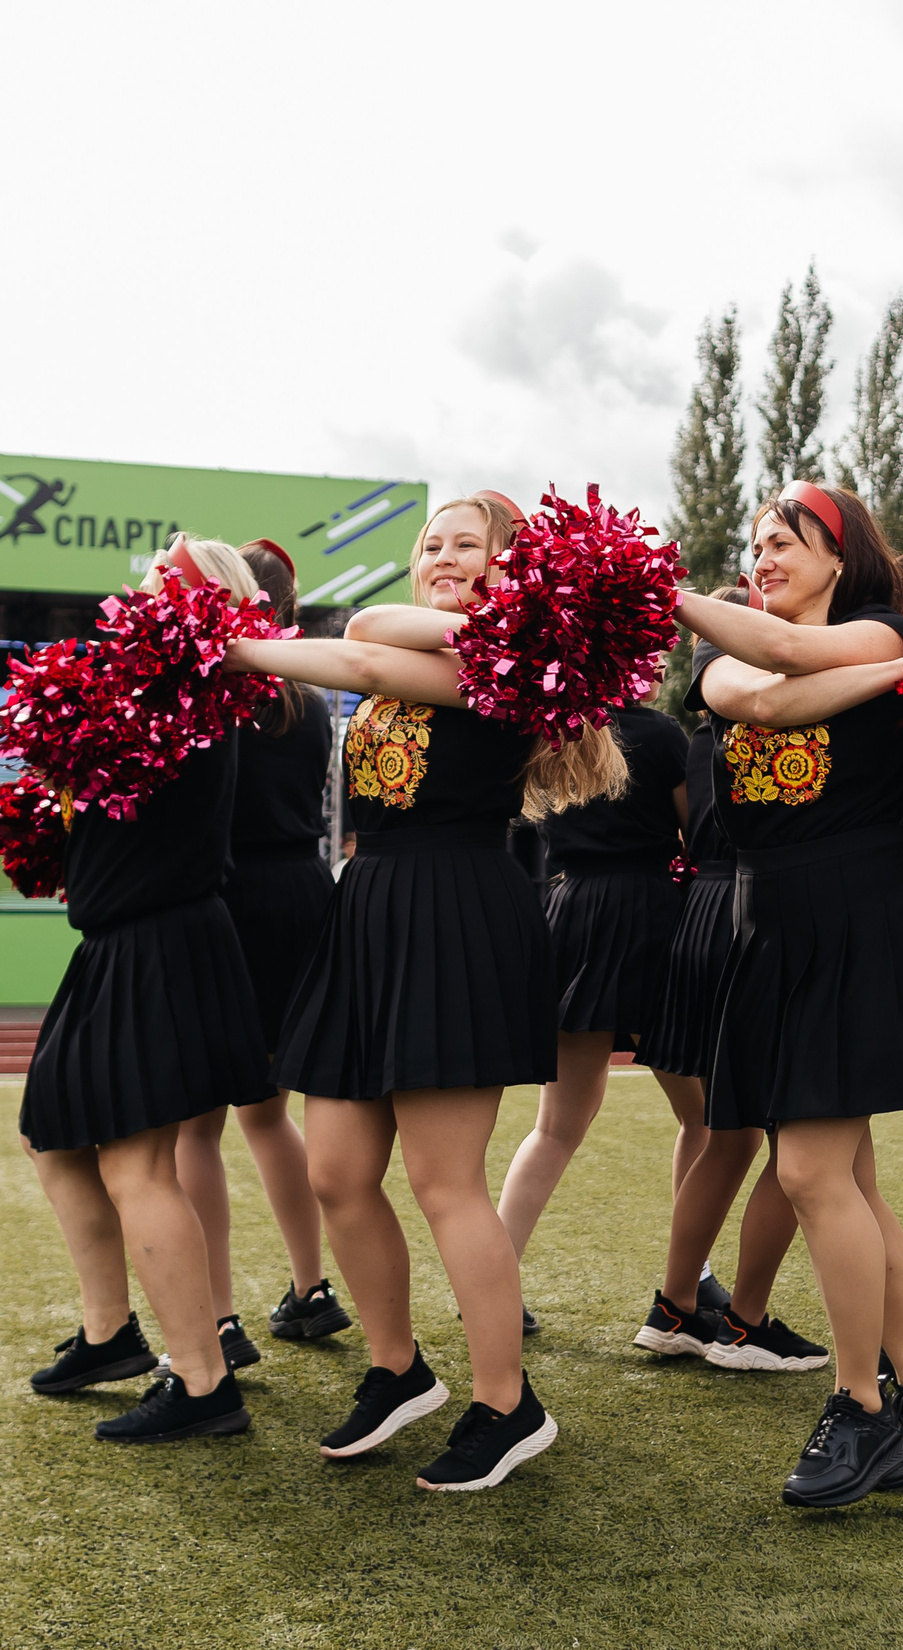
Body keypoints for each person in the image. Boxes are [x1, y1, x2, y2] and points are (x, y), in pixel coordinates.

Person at [225, 493, 623, 1491]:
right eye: (430, 545)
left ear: (513, 569)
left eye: (467, 546)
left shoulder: (493, 668)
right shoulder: (450, 654)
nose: (442, 557)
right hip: (369, 909)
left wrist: (232, 645)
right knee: (337, 1171)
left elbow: (357, 646)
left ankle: (506, 1402)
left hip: (453, 910)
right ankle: (398, 1368)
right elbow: (365, 652)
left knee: (446, 1187)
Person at [676, 477, 903, 1507]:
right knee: (842, 1178)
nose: (762, 557)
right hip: (770, 927)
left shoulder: (886, 622)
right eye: (755, 541)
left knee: (811, 1174)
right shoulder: (726, 658)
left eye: (787, 541)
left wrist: (897, 655)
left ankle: (861, 1403)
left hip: (862, 914)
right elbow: (769, 691)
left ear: (840, 555)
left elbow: (804, 659)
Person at [18, 538, 275, 1444]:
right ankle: (109, 1333)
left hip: (156, 940)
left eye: (170, 576)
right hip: (126, 941)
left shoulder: (183, 683)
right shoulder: (154, 684)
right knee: (51, 1132)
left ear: (207, 604)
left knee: (136, 1166)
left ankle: (204, 1384)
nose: (145, 587)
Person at [175, 538, 347, 1367]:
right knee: (273, 1113)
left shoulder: (215, 695)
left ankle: (218, 1318)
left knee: (195, 1129)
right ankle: (311, 1288)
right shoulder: (307, 700)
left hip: (230, 902)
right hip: (304, 897)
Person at [635, 598, 815, 1373]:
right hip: (751, 907)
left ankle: (677, 1305)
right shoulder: (769, 709)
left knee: (732, 1130)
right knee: (801, 1132)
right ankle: (742, 1320)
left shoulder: (705, 731)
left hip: (703, 913)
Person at [494, 691, 692, 1326]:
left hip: (572, 912)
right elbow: (695, 832)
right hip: (652, 915)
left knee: (554, 1128)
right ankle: (686, 1289)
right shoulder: (661, 734)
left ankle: (492, 1284)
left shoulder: (553, 729)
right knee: (707, 1121)